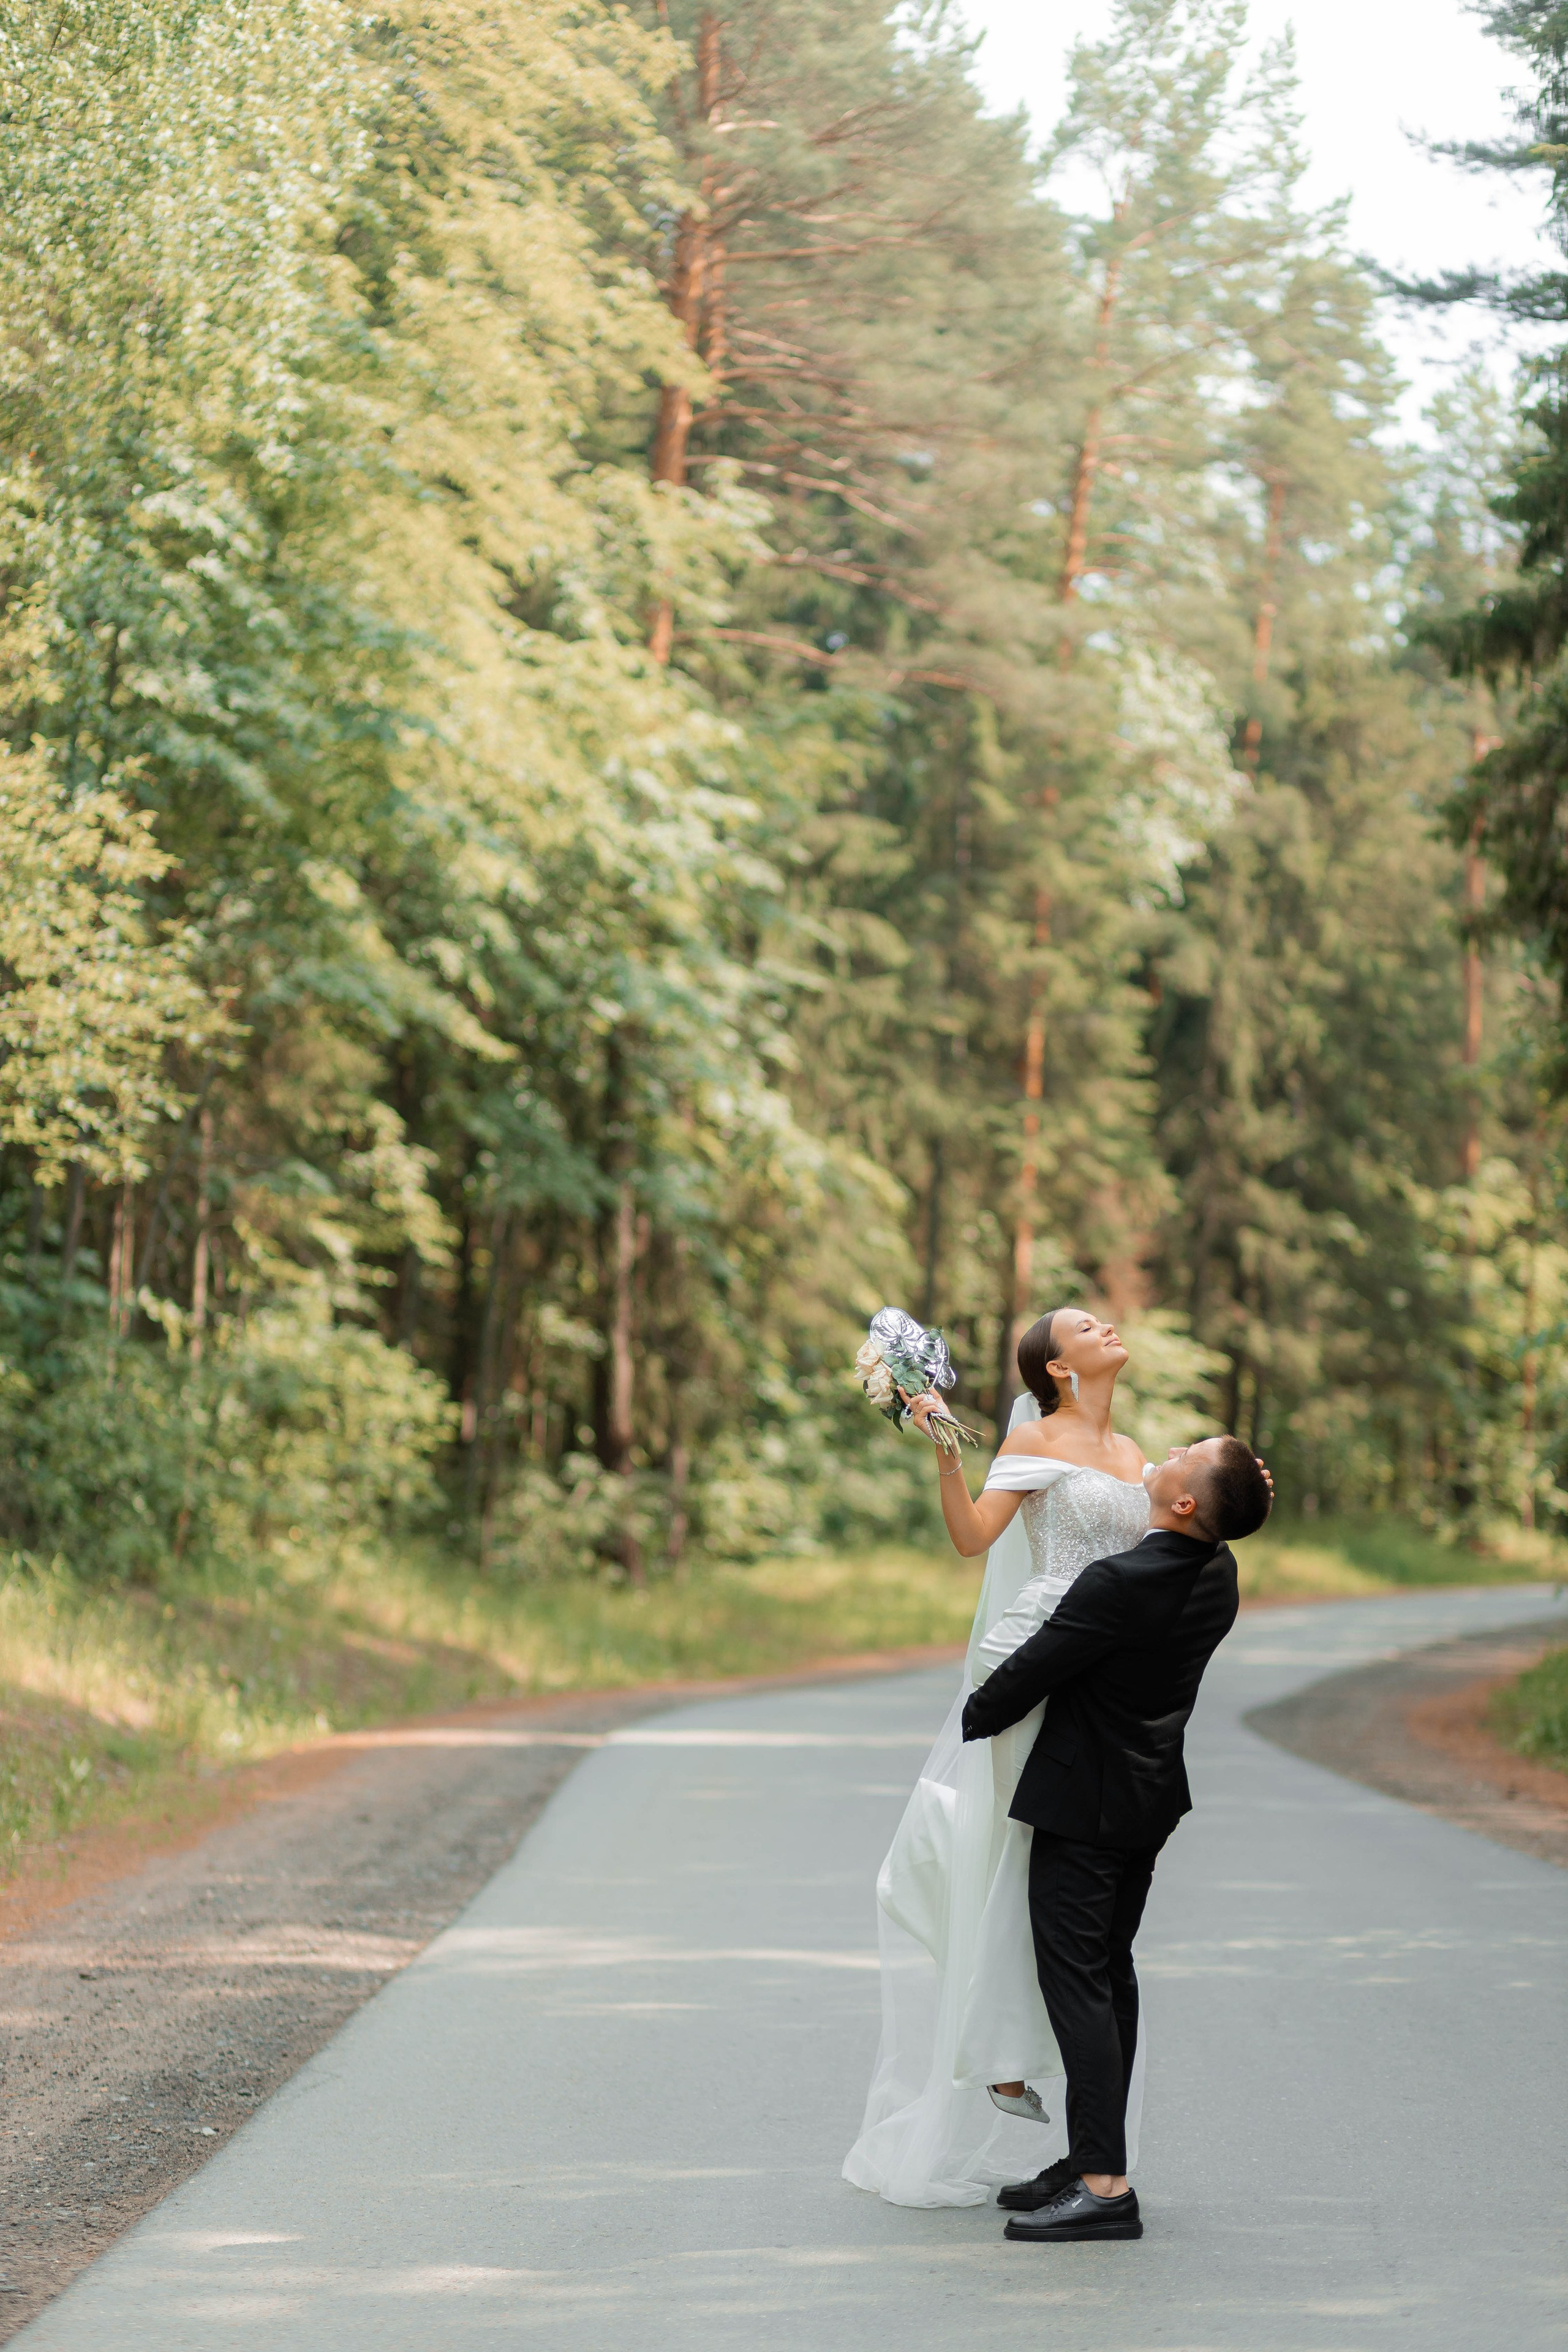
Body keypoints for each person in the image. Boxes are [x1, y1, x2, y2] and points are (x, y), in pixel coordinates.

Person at [842, 1306, 1156, 2208]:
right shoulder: (1036, 1441)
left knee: (1075, 1886)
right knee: (1027, 1857)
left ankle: (1064, 2118)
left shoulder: (1136, 1453)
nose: (1109, 1326)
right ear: (1056, 1366)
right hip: (1033, 1656)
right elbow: (975, 1538)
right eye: (1088, 1326)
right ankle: (1001, 2053)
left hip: (1108, 1669)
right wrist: (945, 1445)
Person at [962, 1432, 1273, 2243]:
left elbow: (1033, 1669)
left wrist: (972, 1715)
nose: (1169, 1447)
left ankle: (1105, 2187)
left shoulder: (1118, 1581)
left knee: (1080, 1985)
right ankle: (1089, 2158)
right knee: (1108, 1975)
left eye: (1188, 1452)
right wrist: (1237, 1490)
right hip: (1147, 1798)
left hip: (1084, 1806)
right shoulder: (1219, 1571)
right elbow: (1215, 1512)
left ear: (1184, 1503)